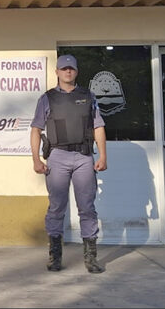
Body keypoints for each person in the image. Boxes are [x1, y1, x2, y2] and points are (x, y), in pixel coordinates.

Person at [30, 54, 107, 274]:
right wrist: (36, 158)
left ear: (76, 71)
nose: (68, 72)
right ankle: (55, 256)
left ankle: (91, 258)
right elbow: (36, 129)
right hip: (57, 156)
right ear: (57, 72)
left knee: (87, 207)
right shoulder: (47, 98)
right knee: (56, 207)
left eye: (71, 68)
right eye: (63, 69)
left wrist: (103, 156)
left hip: (83, 157)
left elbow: (98, 127)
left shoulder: (88, 96)